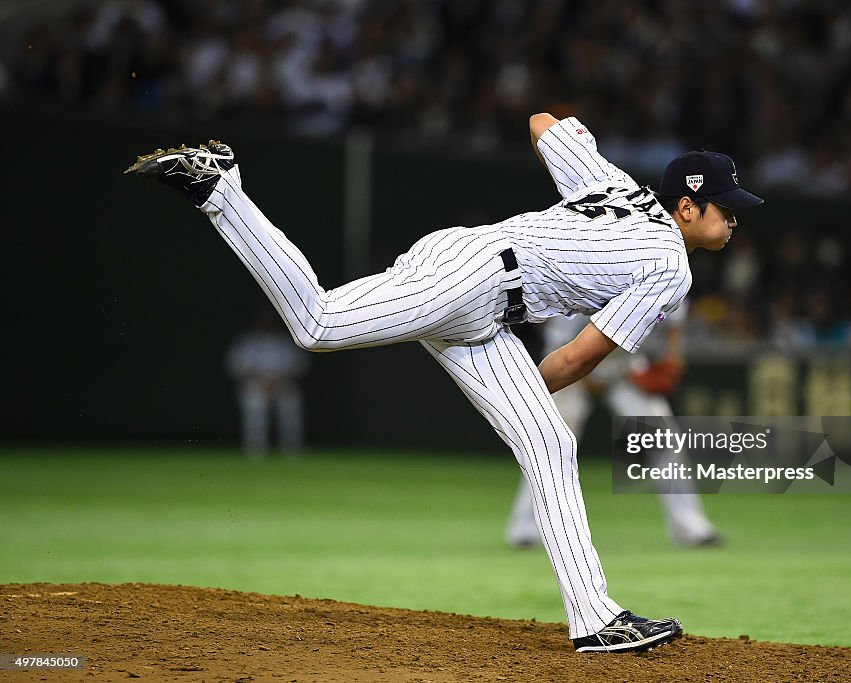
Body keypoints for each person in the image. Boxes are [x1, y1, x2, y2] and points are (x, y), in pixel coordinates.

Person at [124, 114, 763, 653]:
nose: (735, 220)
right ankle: (221, 188)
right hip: (474, 280)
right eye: (726, 208)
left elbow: (543, 122)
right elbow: (571, 363)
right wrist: (519, 392)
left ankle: (594, 620)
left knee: (551, 448)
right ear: (687, 205)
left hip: (485, 301)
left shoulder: (612, 183)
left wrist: (515, 399)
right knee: (316, 322)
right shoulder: (669, 264)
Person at [506, 304, 722, 549]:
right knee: (551, 446)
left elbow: (674, 321)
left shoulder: (663, 272)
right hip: (572, 365)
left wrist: (672, 359)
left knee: (663, 439)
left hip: (624, 367)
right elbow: (562, 347)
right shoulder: (590, 277)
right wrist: (587, 379)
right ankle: (525, 529)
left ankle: (692, 526)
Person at [227, 308, 310, 457]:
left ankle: (291, 450)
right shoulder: (247, 341)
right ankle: (255, 450)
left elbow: (300, 366)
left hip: (283, 384)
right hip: (256, 384)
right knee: (254, 403)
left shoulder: (287, 340)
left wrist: (279, 380)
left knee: (290, 401)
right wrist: (259, 379)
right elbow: (235, 367)